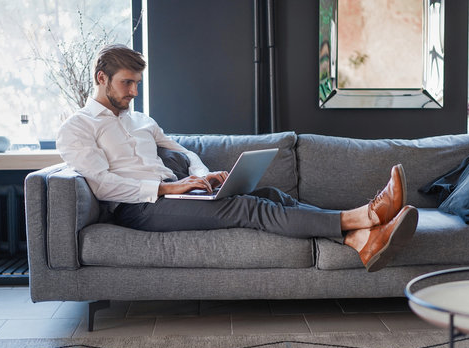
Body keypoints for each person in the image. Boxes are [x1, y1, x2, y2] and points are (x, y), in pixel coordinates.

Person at [57, 44, 418, 272]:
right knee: (245, 208)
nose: (135, 91)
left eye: (137, 83)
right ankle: (365, 216)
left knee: (272, 196)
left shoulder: (140, 120)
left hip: (177, 194)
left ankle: (360, 241)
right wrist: (169, 189)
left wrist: (202, 173)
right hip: (139, 207)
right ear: (101, 78)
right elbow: (102, 184)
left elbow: (183, 151)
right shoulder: (78, 127)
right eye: (126, 83)